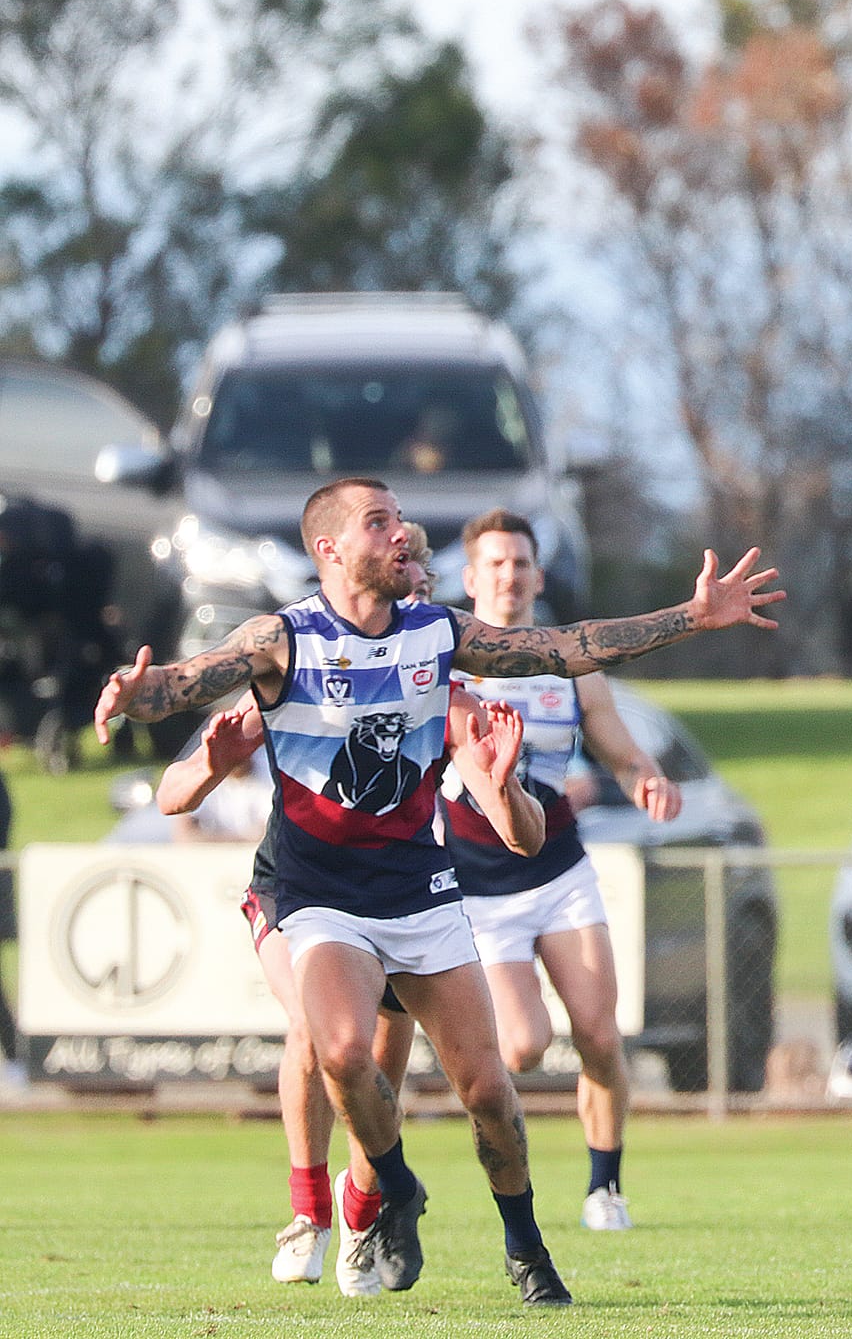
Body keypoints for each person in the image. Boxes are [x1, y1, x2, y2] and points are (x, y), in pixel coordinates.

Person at [94, 476, 782, 1306]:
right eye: (377, 522)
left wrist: (688, 617)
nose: (401, 536)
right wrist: (139, 696)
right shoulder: (283, 640)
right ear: (329, 549)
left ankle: (525, 1246)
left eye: (396, 521)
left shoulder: (437, 635)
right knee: (338, 1048)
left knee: (489, 1089)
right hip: (314, 891)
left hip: (418, 889)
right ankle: (383, 1190)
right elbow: (193, 680)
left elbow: (567, 647)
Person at [155, 531, 542, 1295]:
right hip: (301, 890)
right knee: (321, 1027)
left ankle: (366, 1205)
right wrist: (206, 760)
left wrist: (503, 789)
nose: (418, 586)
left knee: (377, 1081)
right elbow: (175, 791)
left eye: (424, 573)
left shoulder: (447, 692)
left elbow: (519, 835)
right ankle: (310, 1212)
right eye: (408, 567)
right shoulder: (297, 659)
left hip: (403, 898)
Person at [444, 508, 686, 1232]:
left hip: (559, 870)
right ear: (471, 577)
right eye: (495, 563)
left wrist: (644, 776)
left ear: (538, 574)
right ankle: (506, 1172)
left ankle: (604, 1186)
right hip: (479, 881)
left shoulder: (567, 656)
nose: (509, 575)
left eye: (520, 563)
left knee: (601, 1035)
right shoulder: (446, 657)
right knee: (520, 1045)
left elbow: (613, 738)